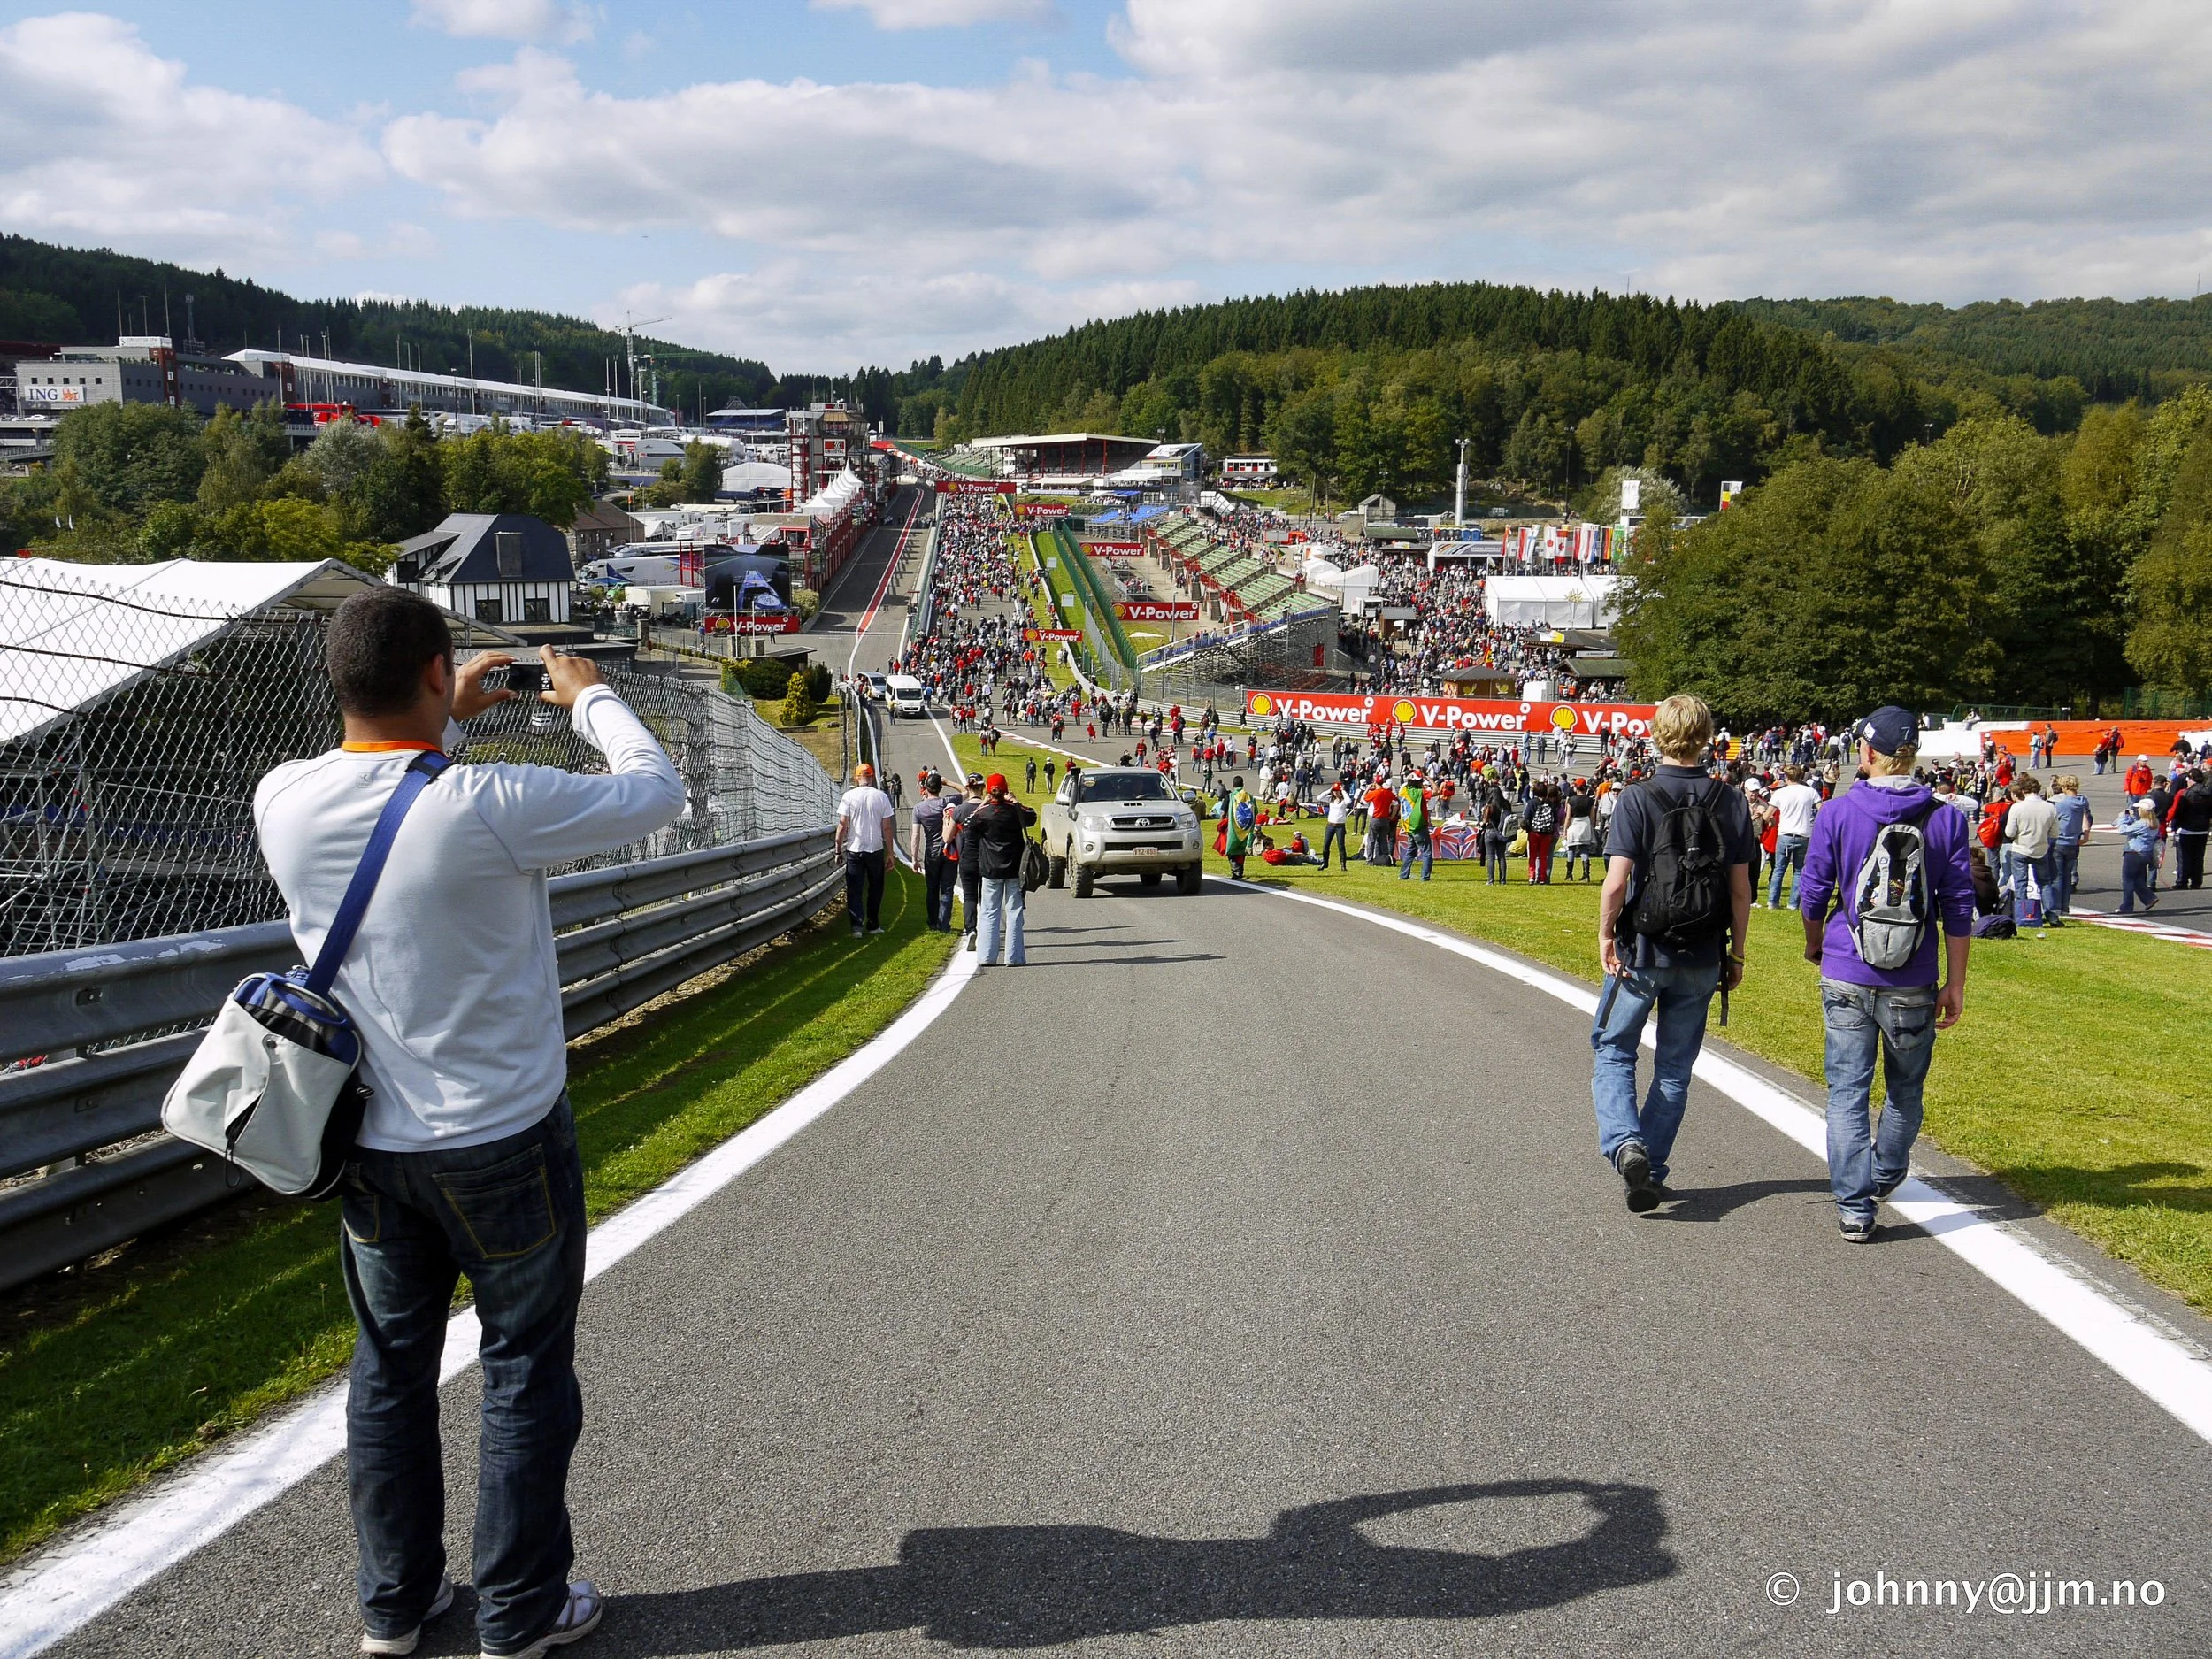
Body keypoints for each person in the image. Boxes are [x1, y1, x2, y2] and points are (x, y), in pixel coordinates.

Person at [256, 591, 683, 1659]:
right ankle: (518, 1613)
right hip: (502, 1141)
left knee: (389, 1374)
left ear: (338, 682)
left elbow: (373, 770)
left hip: (366, 1149)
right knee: (524, 1373)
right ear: (439, 675)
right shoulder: (490, 799)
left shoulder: (282, 797)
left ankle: (394, 1610)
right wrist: (592, 701)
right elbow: (656, 792)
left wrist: (442, 711)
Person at [1797, 707, 1975, 1244]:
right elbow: (1959, 905)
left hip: (1847, 968)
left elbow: (1812, 892)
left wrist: (1815, 946)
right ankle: (1885, 1172)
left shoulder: (1837, 813)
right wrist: (1956, 981)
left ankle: (1854, 1206)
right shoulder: (1946, 818)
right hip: (1914, 976)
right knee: (1905, 1088)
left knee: (1846, 1090)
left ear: (1869, 754)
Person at [1592, 695, 1754, 1213]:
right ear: (1707, 737)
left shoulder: (1638, 797)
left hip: (1644, 949)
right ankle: (1652, 1166)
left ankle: (1626, 1144)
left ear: (1658, 735)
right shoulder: (1730, 802)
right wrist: (1738, 953)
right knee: (1674, 1069)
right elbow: (1740, 891)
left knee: (1615, 1049)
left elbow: (1616, 882)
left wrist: (1604, 934)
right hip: (1704, 951)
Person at [969, 773, 1037, 966]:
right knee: (1014, 912)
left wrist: (983, 803)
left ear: (989, 792)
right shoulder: (1015, 811)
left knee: (989, 911)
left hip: (990, 869)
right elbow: (1032, 816)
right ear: (1006, 790)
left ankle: (987, 957)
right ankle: (1014, 957)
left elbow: (968, 824)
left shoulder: (983, 814)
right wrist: (1016, 801)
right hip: (1014, 869)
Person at [836, 763, 896, 939]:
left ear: (856, 777)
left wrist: (838, 849)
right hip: (875, 848)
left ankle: (856, 927)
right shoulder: (881, 797)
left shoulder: (848, 796)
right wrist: (890, 853)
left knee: (854, 888)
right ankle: (873, 924)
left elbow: (842, 827)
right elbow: (887, 828)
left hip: (855, 849)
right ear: (872, 777)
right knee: (876, 888)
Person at [2001, 774, 2058, 932]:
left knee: (2021, 883)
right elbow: (2054, 833)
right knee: (2045, 883)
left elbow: (2010, 832)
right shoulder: (2050, 807)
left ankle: (2023, 914)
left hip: (2021, 848)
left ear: (2023, 791)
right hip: (2040, 848)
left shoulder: (2017, 808)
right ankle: (2051, 914)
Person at [1766, 764, 1821, 907]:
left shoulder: (1780, 793)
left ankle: (1773, 901)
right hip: (1804, 834)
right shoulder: (1811, 792)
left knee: (1779, 869)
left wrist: (1770, 819)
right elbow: (1822, 810)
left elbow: (1767, 815)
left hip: (1785, 834)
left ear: (1786, 777)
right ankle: (1793, 903)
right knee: (1798, 871)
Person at [910, 773, 955, 932]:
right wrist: (948, 781)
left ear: (925, 789)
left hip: (931, 851)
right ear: (940, 788)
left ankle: (932, 922)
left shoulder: (918, 808)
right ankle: (944, 925)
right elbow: (966, 791)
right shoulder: (947, 802)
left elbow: (915, 835)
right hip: (948, 849)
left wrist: (914, 858)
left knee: (932, 888)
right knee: (947, 889)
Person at [2047, 773, 2092, 918]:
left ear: (2064, 787)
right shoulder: (2081, 802)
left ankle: (2057, 908)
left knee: (2057, 876)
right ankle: (2065, 907)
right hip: (2074, 842)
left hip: (2060, 841)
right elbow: (2086, 819)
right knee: (2067, 876)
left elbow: (2052, 820)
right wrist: (2085, 835)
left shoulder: (2061, 804)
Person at [950, 772, 987, 948]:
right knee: (986, 897)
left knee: (970, 896)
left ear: (968, 787)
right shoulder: (988, 808)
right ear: (983, 788)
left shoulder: (959, 810)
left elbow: (947, 837)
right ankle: (987, 931)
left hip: (967, 858)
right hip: (987, 858)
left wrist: (946, 822)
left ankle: (971, 929)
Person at [2170, 765, 2212, 889]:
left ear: (2191, 778)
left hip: (2187, 828)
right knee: (2198, 857)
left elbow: (2179, 811)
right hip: (2203, 829)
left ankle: (2182, 881)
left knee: (2184, 857)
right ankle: (2196, 882)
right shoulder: (2208, 793)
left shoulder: (2186, 793)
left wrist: (2176, 824)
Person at [2118, 800, 2162, 913]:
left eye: (2139, 808)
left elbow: (2123, 831)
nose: (2137, 810)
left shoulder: (2142, 824)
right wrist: (2131, 819)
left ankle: (2127, 906)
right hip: (2146, 853)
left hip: (2134, 853)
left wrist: (2123, 818)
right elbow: (2136, 828)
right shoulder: (2155, 822)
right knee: (2138, 880)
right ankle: (2149, 898)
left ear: (2143, 810)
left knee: (2127, 881)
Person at [1397, 768, 1433, 881]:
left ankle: (1403, 875)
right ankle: (1425, 877)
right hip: (1418, 827)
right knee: (1427, 852)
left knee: (1411, 851)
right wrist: (1429, 778)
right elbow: (1437, 791)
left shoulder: (1403, 791)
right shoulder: (1419, 793)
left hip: (1408, 827)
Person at [1320, 782, 1350, 869]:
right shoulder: (1331, 799)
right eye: (1334, 791)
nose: (1336, 793)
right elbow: (1320, 797)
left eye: (1337, 791)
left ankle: (1343, 865)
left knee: (1341, 845)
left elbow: (1349, 801)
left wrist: (1343, 791)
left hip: (1340, 826)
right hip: (1330, 825)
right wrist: (1329, 790)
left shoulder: (1343, 800)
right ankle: (1325, 863)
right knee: (1326, 845)